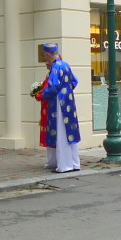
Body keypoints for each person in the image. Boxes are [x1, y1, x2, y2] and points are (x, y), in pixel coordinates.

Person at [39, 43, 81, 173]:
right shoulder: (65, 64)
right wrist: (66, 90)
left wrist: (42, 95)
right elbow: (74, 81)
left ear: (47, 55)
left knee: (61, 133)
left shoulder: (55, 67)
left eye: (45, 56)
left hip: (58, 103)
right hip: (68, 101)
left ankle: (64, 165)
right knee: (70, 132)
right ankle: (74, 163)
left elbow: (52, 87)